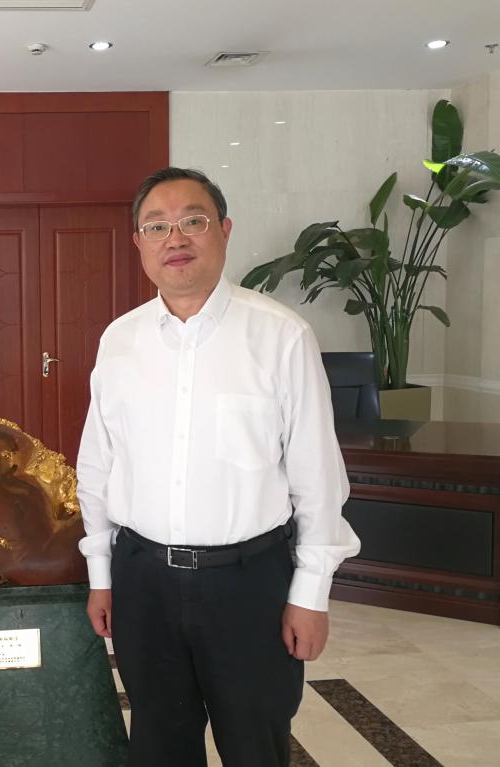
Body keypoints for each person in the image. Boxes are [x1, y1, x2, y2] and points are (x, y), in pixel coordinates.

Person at [76, 167, 360, 766]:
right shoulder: (120, 341)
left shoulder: (281, 336)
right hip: (143, 581)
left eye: (193, 221)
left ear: (224, 230)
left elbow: (317, 477)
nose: (175, 238)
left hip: (249, 585)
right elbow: (97, 465)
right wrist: (101, 574)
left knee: (255, 746)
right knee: (159, 746)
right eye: (157, 226)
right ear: (139, 243)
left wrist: (311, 593)